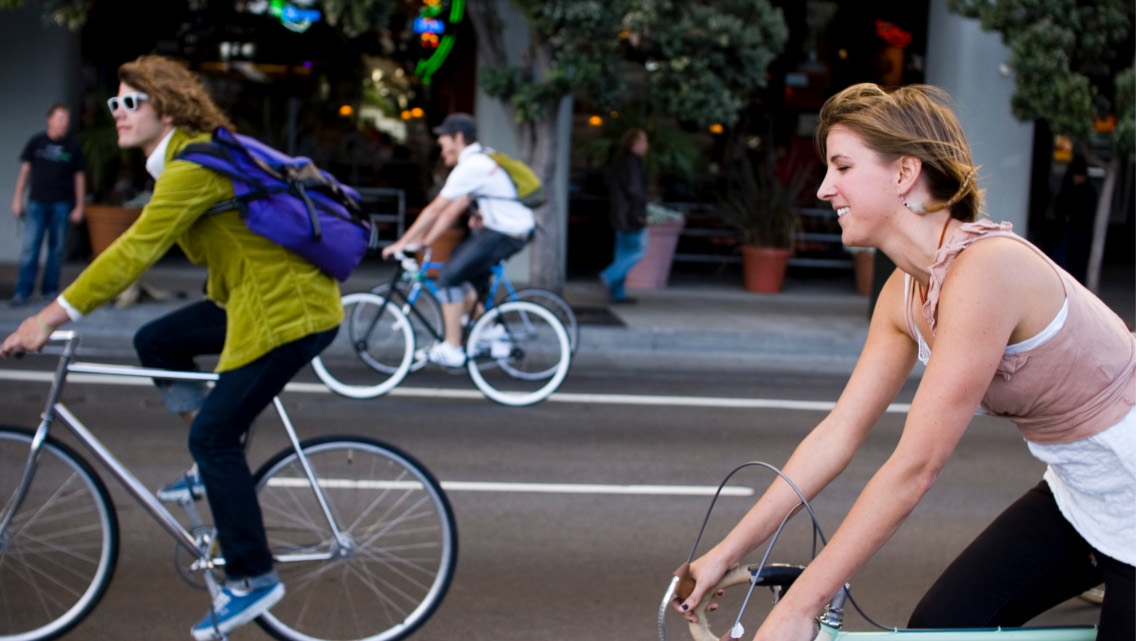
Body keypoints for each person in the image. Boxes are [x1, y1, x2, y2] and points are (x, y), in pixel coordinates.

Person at [673, 83, 1134, 641]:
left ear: (903, 173)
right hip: (1082, 495)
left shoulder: (988, 271)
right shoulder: (905, 294)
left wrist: (802, 608)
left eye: (842, 166)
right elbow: (838, 434)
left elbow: (915, 468)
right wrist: (726, 552)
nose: (824, 189)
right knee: (944, 629)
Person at [0, 55, 343, 641]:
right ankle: (211, 467)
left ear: (168, 106)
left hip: (287, 314)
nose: (118, 115)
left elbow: (132, 254)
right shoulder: (186, 157)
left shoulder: (189, 168)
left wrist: (48, 318)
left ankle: (253, 577)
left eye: (131, 103)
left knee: (211, 436)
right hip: (253, 303)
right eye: (114, 103)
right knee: (155, 338)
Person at [381, 112, 535, 367]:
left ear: (459, 138)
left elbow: (435, 209)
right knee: (462, 276)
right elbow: (453, 209)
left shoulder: (471, 166)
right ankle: (491, 332)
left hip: (507, 232)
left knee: (449, 277)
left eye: (443, 140)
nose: (441, 148)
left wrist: (402, 243)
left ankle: (453, 347)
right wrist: (425, 241)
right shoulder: (481, 157)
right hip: (503, 230)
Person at [10, 103, 86, 306]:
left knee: (57, 249)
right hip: (37, 203)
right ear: (50, 119)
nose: (64, 123)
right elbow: (25, 172)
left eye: (67, 120)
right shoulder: (37, 142)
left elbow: (79, 177)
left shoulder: (73, 147)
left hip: (61, 204)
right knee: (30, 248)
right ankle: (23, 292)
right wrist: (17, 198)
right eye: (61, 119)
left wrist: (79, 206)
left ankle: (49, 290)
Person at [599, 128, 649, 303]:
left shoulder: (620, 162)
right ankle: (609, 276)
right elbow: (635, 191)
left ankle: (618, 294)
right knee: (638, 251)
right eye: (643, 141)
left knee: (622, 254)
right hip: (632, 216)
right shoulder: (632, 163)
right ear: (635, 144)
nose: (646, 145)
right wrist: (642, 212)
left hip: (620, 216)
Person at [1050, 153, 1098, 285]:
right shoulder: (1080, 189)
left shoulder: (1084, 191)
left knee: (1072, 263)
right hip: (1072, 231)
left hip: (1077, 232)